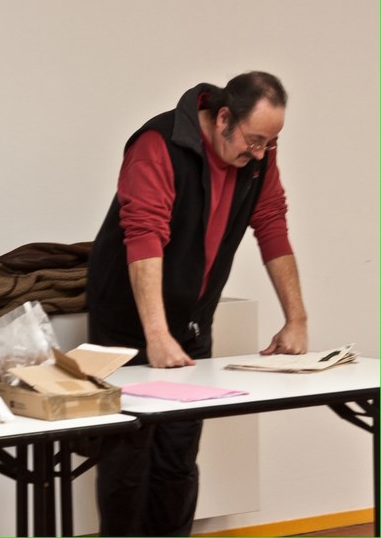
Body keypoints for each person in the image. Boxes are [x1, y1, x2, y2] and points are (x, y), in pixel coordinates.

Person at [86, 71, 310, 536]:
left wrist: (296, 318)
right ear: (223, 117)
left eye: (270, 143)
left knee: (177, 460)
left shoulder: (257, 158)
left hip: (190, 323)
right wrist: (155, 334)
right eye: (254, 140)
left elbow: (271, 223)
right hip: (127, 325)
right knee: (127, 459)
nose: (260, 153)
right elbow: (144, 235)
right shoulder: (158, 143)